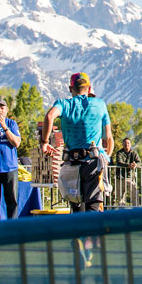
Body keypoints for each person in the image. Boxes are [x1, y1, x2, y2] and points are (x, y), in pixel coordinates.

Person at [41, 73, 113, 212]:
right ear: (89, 88)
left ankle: (79, 233)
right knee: (94, 206)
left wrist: (45, 142)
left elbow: (49, 116)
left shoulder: (64, 104)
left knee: (76, 206)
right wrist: (107, 157)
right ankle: (93, 234)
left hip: (72, 163)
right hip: (93, 163)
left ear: (70, 88)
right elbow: (108, 136)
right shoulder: (99, 104)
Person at [112, 137, 141, 206]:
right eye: (125, 143)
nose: (126, 145)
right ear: (122, 144)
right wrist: (129, 165)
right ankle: (122, 214)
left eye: (128, 143)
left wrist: (135, 165)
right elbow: (119, 162)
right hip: (120, 178)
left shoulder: (134, 153)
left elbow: (139, 162)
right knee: (120, 198)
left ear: (130, 144)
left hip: (130, 177)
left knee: (134, 195)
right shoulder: (119, 153)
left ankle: (136, 211)